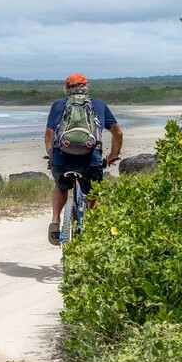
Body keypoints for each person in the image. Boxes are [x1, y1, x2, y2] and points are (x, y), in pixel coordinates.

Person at [44, 73, 123, 245]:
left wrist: (52, 157)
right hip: (91, 160)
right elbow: (118, 133)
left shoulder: (59, 105)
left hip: (62, 158)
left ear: (66, 89)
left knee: (60, 186)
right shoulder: (98, 104)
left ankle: (56, 221)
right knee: (92, 193)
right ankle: (91, 226)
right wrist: (112, 155)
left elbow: (49, 135)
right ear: (86, 87)